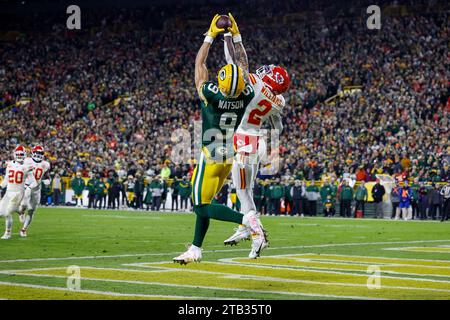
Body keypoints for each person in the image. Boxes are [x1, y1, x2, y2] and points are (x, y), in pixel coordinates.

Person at [173, 14, 266, 265]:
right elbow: (243, 66)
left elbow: (199, 66)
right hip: (228, 155)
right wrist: (235, 36)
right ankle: (195, 248)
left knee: (200, 206)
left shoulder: (211, 95)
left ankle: (246, 220)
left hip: (210, 155)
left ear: (223, 83)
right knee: (207, 201)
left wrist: (210, 35)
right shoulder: (245, 93)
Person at [222, 15, 290, 243]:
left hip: (242, 139)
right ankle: (245, 225)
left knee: (241, 189)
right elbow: (278, 128)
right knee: (245, 189)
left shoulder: (257, 84)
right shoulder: (279, 101)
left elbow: (236, 63)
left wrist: (230, 36)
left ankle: (255, 231)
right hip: (256, 140)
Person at [0, 146, 37, 239]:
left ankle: (7, 233)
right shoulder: (9, 165)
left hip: (18, 193)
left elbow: (34, 182)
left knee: (7, 212)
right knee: (1, 213)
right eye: (18, 154)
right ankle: (19, 211)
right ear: (14, 155)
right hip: (8, 192)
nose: (20, 156)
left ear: (24, 155)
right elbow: (6, 180)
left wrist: (28, 187)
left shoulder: (27, 167)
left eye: (21, 154)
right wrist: (0, 186)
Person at [17, 145, 51, 237]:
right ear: (33, 152)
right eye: (38, 153)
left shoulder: (46, 164)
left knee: (31, 210)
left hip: (37, 189)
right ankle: (22, 211)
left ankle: (24, 229)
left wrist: (47, 181)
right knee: (24, 204)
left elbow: (47, 177)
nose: (39, 155)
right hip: (26, 186)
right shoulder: (26, 160)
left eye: (41, 153)